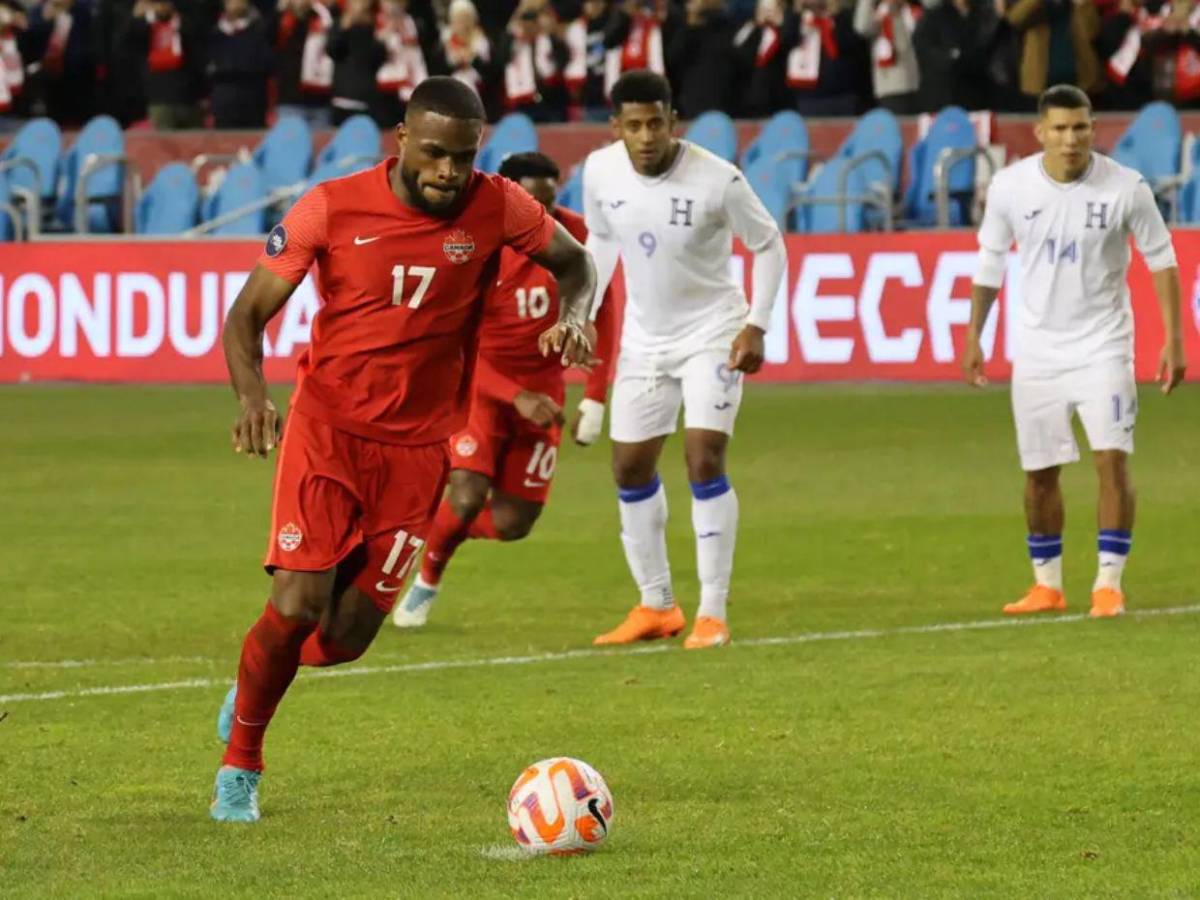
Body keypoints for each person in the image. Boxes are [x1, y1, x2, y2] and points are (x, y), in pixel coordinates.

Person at [209, 76, 596, 823]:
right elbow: (246, 314)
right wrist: (252, 397)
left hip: (419, 450)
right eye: (434, 154)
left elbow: (575, 263)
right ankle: (241, 767)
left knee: (348, 637)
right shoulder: (331, 206)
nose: (449, 172)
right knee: (296, 602)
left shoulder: (498, 204)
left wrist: (575, 315)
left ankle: (259, 680)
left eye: (463, 156)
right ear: (401, 139)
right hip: (327, 431)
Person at [961, 84, 1187, 620]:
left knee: (1111, 459)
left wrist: (1175, 339)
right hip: (1037, 351)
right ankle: (1048, 585)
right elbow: (990, 264)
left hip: (1104, 346)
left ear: (1093, 129)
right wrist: (975, 333)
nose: (1070, 139)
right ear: (1039, 132)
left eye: (1080, 127)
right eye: (1059, 129)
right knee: (1040, 472)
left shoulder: (1125, 188)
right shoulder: (1011, 188)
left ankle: (1108, 584)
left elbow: (1163, 260)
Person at [582, 70, 787, 650]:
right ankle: (657, 605)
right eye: (634, 125)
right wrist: (582, 312)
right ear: (616, 127)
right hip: (646, 340)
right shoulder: (599, 172)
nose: (646, 136)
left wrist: (756, 324)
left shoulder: (718, 180)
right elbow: (600, 242)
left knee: (703, 459)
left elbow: (768, 244)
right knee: (629, 468)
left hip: (713, 333)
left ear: (674, 122)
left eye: (656, 123)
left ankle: (712, 613)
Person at [395, 151, 616, 627]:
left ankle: (430, 526)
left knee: (516, 523)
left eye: (550, 203)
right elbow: (450, 341)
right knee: (469, 493)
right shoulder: (475, 241)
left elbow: (605, 306)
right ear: (511, 197)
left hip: (545, 390)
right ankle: (426, 579)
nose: (543, 216)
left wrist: (596, 395)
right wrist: (514, 395)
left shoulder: (577, 237)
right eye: (532, 204)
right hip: (480, 382)